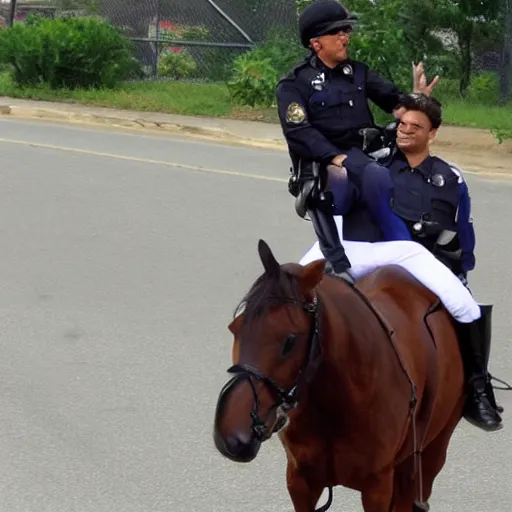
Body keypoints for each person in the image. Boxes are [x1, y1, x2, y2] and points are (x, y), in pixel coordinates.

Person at [300, 93, 504, 432]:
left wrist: (460, 273)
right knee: (292, 286)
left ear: (432, 134)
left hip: (419, 262)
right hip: (362, 251)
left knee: (467, 307)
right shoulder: (373, 162)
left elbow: (462, 230)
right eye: (403, 124)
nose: (406, 131)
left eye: (416, 126)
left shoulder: (450, 178)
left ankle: (477, 389)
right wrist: (409, 96)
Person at [276, 0, 439, 282]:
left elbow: (396, 104)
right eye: (337, 32)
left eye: (345, 30)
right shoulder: (294, 84)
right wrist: (334, 157)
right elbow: (299, 132)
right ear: (316, 43)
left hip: (363, 158)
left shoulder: (358, 73)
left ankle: (420, 240)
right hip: (326, 168)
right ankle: (408, 253)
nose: (345, 37)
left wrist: (418, 98)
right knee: (375, 178)